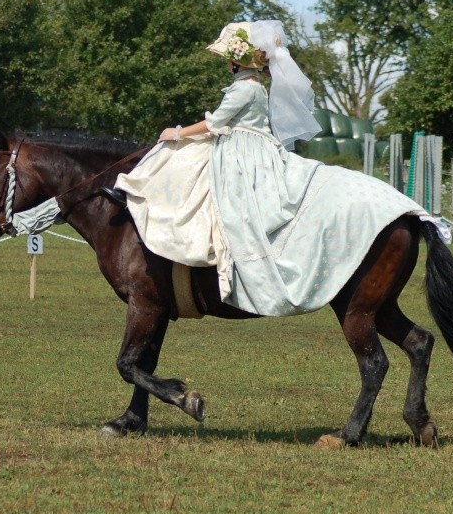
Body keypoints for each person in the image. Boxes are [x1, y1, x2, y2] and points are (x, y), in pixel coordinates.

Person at [108, 20, 431, 317]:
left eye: (228, 58)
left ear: (237, 60)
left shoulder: (244, 88)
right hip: (247, 146)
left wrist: (176, 133)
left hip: (241, 154)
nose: (226, 63)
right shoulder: (253, 87)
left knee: (179, 156)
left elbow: (215, 123)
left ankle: (148, 209)